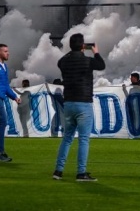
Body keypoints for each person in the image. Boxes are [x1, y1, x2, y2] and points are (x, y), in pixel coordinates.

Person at [52, 34, 105, 182]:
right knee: (83, 139)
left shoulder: (64, 61)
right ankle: (81, 172)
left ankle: (58, 170)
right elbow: (101, 65)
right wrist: (95, 52)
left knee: (67, 138)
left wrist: (73, 51)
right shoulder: (87, 61)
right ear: (83, 46)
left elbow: (60, 62)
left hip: (68, 102)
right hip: (83, 102)